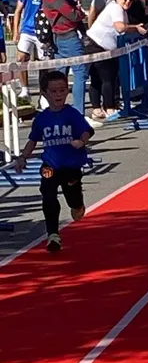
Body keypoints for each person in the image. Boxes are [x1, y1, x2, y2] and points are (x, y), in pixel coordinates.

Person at [14, 71, 95, 252]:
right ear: (44, 93)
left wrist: (81, 141)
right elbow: (33, 140)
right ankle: (53, 234)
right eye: (54, 91)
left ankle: (77, 203)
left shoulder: (72, 114)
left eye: (62, 90)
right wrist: (22, 158)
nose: (58, 95)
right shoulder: (41, 119)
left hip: (71, 165)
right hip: (50, 165)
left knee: (73, 200)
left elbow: (87, 130)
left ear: (67, 91)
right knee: (48, 195)